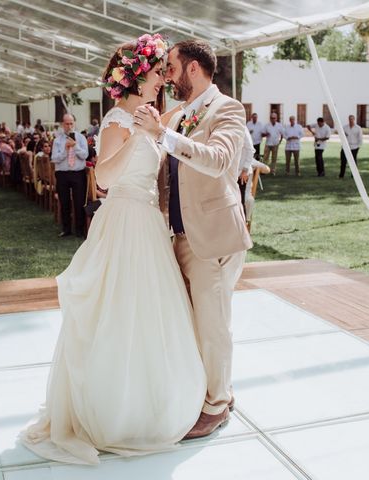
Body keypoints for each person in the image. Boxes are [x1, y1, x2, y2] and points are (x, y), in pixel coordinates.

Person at [21, 33, 206, 465]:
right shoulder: (117, 121)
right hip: (122, 220)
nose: (164, 80)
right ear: (138, 77)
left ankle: (152, 401)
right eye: (159, 73)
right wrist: (142, 136)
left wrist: (167, 119)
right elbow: (103, 177)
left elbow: (176, 118)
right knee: (120, 313)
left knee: (150, 314)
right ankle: (115, 411)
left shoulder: (148, 116)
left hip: (148, 225)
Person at [138, 38, 252, 440]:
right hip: (181, 237)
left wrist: (165, 136)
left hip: (214, 238)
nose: (166, 75)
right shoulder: (182, 113)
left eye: (170, 67)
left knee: (213, 325)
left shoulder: (228, 109)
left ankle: (217, 405)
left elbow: (220, 160)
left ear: (192, 68)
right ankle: (215, 390)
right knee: (195, 324)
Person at [51, 113, 88, 238]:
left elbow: (84, 155)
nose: (69, 126)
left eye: (71, 123)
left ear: (74, 123)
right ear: (62, 124)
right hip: (62, 173)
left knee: (79, 202)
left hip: (78, 173)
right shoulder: (57, 140)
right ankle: (66, 229)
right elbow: (54, 158)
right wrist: (66, 150)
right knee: (64, 202)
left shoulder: (81, 138)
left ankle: (79, 229)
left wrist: (75, 146)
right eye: (67, 123)